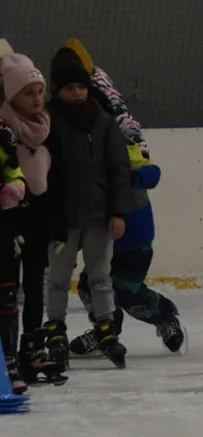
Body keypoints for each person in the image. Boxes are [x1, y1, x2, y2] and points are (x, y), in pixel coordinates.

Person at [39, 45, 132, 370]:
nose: (77, 93)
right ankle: (55, 326)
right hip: (62, 218)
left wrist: (118, 212)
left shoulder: (103, 123)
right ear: (57, 90)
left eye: (81, 86)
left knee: (100, 276)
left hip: (98, 216)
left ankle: (105, 325)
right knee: (58, 277)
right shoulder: (47, 121)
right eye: (69, 88)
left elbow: (119, 169)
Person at [69, 141, 186, 358]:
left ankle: (165, 316)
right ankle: (106, 330)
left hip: (135, 239)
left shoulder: (119, 146)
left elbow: (152, 172)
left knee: (127, 292)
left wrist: (132, 178)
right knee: (89, 286)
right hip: (101, 240)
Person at [0, 41, 48, 392]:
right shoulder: (5, 126)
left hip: (28, 220)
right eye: (28, 92)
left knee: (26, 288)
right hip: (10, 221)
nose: (37, 99)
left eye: (40, 91)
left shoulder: (45, 127)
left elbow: (13, 169)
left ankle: (23, 355)